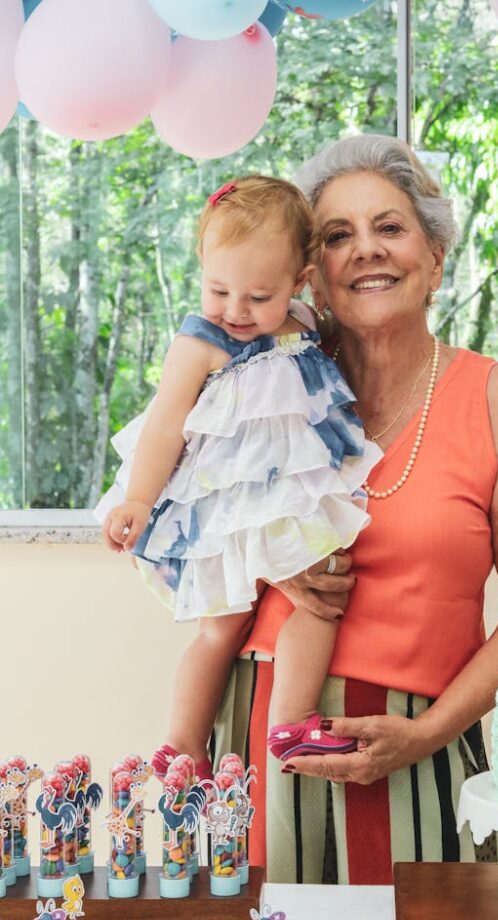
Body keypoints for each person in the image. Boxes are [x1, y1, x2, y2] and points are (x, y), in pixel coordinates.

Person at [213, 134, 498, 884]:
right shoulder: (264, 378)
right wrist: (268, 564)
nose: (365, 251)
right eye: (338, 235)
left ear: (434, 257)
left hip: (416, 744)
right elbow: (184, 534)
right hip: (265, 727)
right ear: (311, 272)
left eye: (390, 227)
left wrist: (427, 733)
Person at [95, 175, 383, 782]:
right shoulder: (198, 342)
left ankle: (292, 721)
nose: (235, 310)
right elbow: (165, 425)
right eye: (218, 288)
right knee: (219, 629)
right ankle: (182, 742)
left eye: (258, 296)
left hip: (287, 495)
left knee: (322, 594)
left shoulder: (302, 322)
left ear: (299, 283)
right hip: (225, 510)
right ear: (201, 265)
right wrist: (140, 501)